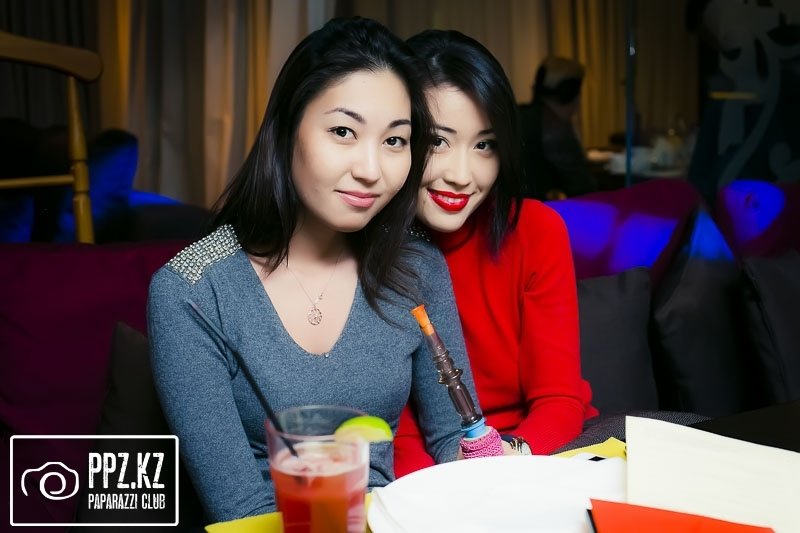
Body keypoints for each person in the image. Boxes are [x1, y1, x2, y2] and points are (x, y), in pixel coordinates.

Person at [147, 17, 480, 522]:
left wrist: (500, 475)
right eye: (343, 132)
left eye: (395, 141)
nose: (371, 170)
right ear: (286, 129)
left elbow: (456, 434)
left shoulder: (416, 268)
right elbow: (240, 509)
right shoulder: (191, 289)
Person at [394, 30, 598, 477]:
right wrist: (441, 492)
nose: (462, 175)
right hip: (434, 473)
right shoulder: (375, 250)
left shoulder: (537, 231)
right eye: (438, 141)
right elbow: (398, 434)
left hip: (540, 450)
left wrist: (509, 462)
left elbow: (559, 399)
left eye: (484, 145)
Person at [519, 56, 596, 199]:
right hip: (535, 209)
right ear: (574, 96)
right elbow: (582, 188)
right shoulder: (555, 126)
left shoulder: (519, 114)